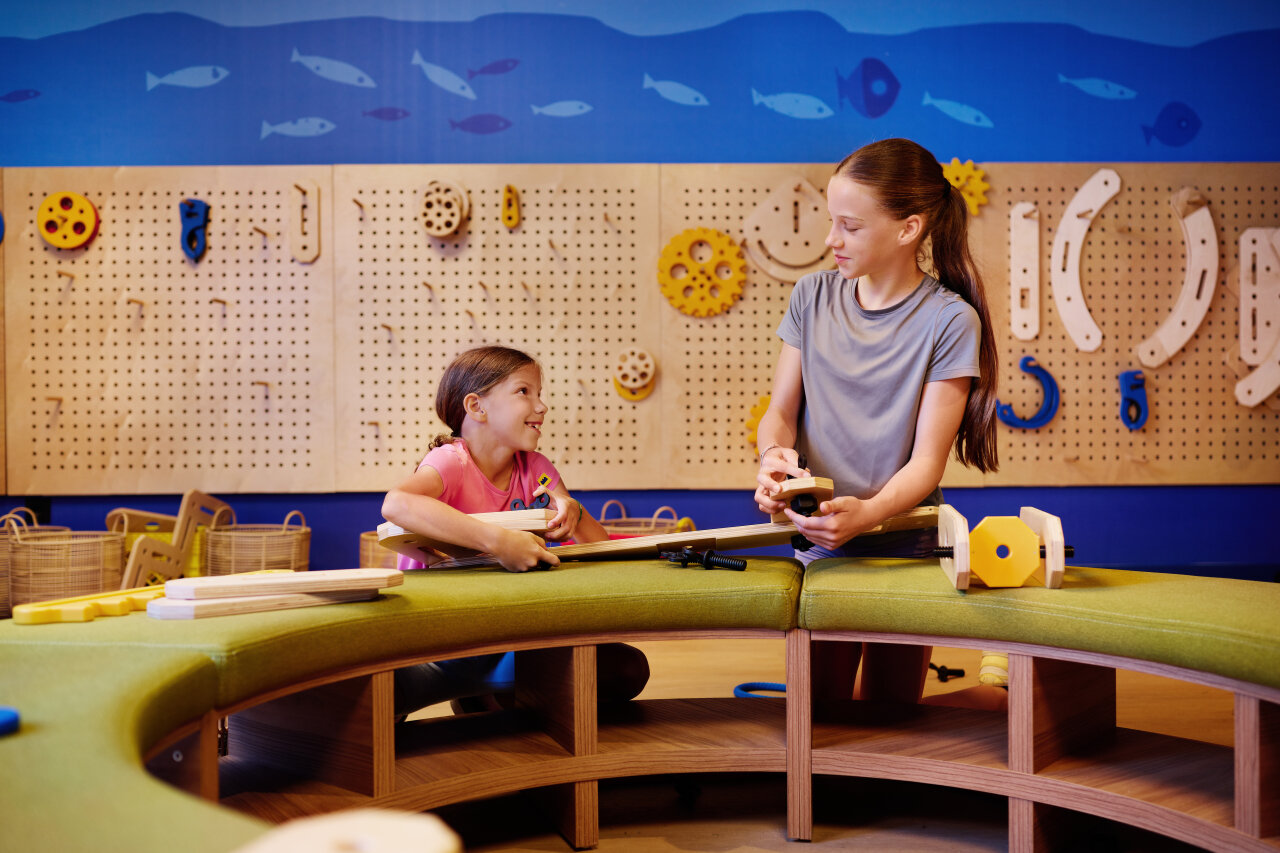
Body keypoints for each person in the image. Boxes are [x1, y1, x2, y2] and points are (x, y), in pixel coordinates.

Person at [753, 138, 1000, 707]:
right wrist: (773, 460)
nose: (830, 240)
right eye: (830, 222)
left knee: (894, 721)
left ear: (908, 229)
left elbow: (926, 464)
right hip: (819, 540)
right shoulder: (810, 296)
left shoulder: (949, 320)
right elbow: (780, 415)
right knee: (822, 715)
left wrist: (867, 515)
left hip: (904, 545)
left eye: (850, 226)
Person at [382, 345, 648, 716]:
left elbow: (598, 543)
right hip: (438, 643)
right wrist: (499, 541)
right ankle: (476, 694)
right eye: (525, 392)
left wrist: (573, 510)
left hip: (509, 636)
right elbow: (396, 504)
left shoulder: (536, 468)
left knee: (626, 670)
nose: (541, 406)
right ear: (477, 407)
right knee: (382, 699)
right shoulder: (450, 462)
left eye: (540, 394)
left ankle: (484, 697)